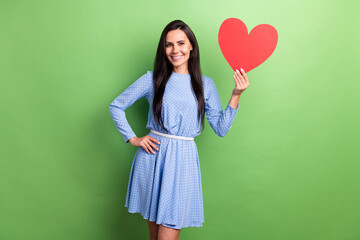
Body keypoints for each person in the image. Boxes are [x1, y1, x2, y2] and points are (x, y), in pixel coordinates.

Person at [109, 19, 249, 240]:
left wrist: (236, 95)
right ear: (163, 49)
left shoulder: (205, 85)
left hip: (183, 163)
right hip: (152, 159)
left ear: (191, 46)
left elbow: (221, 128)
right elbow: (116, 106)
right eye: (169, 44)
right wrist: (133, 139)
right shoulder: (153, 79)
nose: (175, 50)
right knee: (154, 237)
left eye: (181, 43)